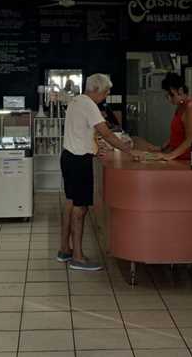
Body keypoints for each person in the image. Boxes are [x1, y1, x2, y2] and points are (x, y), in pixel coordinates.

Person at [58, 73, 141, 271]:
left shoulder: (76, 100)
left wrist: (95, 147)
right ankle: (78, 257)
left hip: (68, 157)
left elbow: (82, 132)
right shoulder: (89, 105)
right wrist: (129, 150)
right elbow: (106, 132)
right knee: (81, 209)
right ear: (95, 89)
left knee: (71, 203)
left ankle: (64, 250)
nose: (106, 95)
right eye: (105, 92)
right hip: (79, 161)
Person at [136, 72, 192, 161]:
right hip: (180, 157)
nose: (169, 99)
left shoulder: (190, 107)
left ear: (180, 91)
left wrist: (169, 155)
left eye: (171, 95)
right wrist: (161, 148)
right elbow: (176, 134)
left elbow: (191, 139)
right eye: (167, 96)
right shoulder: (180, 106)